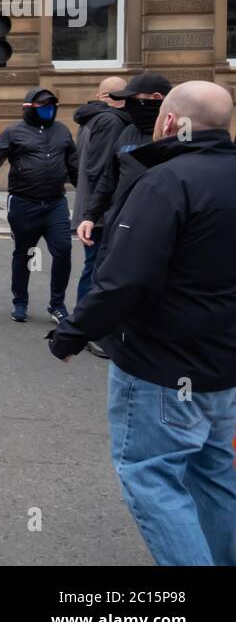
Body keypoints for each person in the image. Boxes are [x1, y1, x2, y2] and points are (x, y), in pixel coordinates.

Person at [47, 81, 236, 566]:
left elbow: (124, 279)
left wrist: (72, 333)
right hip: (223, 367)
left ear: (170, 122)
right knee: (215, 475)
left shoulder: (166, 182)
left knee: (152, 478)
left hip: (161, 365)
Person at [0, 88, 79, 324]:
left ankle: (57, 305)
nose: (49, 110)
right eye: (43, 106)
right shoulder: (14, 131)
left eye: (52, 106)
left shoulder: (62, 131)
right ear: (29, 108)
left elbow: (74, 165)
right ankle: (20, 302)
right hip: (25, 203)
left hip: (55, 203)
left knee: (63, 250)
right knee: (23, 253)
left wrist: (89, 195)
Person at [76, 72, 173, 247]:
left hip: (163, 231)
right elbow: (109, 178)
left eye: (133, 100)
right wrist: (90, 216)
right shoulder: (128, 132)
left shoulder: (180, 134)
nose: (128, 106)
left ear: (156, 98)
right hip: (122, 226)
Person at [70, 76, 130, 359]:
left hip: (91, 208)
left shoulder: (93, 118)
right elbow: (103, 168)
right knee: (97, 270)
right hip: (99, 211)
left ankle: (84, 328)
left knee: (95, 268)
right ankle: (86, 330)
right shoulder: (111, 121)